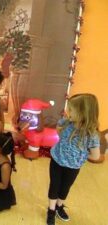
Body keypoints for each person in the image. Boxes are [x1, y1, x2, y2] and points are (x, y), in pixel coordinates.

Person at [46, 94, 101, 225]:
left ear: (83, 113)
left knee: (65, 188)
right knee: (54, 186)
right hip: (56, 161)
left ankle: (59, 207)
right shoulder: (66, 122)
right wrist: (63, 139)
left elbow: (95, 156)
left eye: (71, 110)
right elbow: (58, 129)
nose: (68, 112)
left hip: (73, 167)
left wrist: (80, 154)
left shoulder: (91, 134)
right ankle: (51, 211)